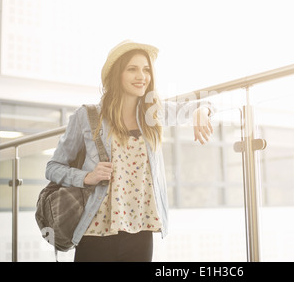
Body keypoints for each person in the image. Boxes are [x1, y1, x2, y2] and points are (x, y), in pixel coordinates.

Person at [46, 40, 214, 262]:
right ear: (118, 74)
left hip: (141, 230)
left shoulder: (153, 114)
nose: (141, 76)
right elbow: (53, 168)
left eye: (146, 70)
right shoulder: (88, 116)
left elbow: (206, 103)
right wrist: (87, 176)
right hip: (96, 229)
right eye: (132, 69)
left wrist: (202, 111)